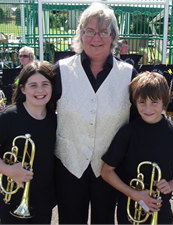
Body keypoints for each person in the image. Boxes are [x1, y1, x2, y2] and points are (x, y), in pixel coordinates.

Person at [51, 2, 138, 224]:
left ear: (113, 36)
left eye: (103, 32)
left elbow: (139, 123)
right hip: (69, 165)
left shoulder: (129, 75)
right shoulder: (60, 70)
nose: (96, 38)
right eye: (89, 31)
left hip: (109, 170)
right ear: (81, 34)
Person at [101, 72, 173, 224]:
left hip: (162, 212)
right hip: (129, 210)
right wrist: (134, 194)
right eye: (142, 102)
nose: (148, 108)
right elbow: (106, 172)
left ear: (164, 100)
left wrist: (172, 185)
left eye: (154, 102)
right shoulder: (127, 133)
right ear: (135, 102)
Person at [0, 61, 57, 224]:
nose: (40, 90)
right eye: (33, 85)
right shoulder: (9, 116)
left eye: (45, 84)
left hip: (43, 199)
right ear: (23, 88)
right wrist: (8, 170)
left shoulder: (54, 119)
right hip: (13, 198)